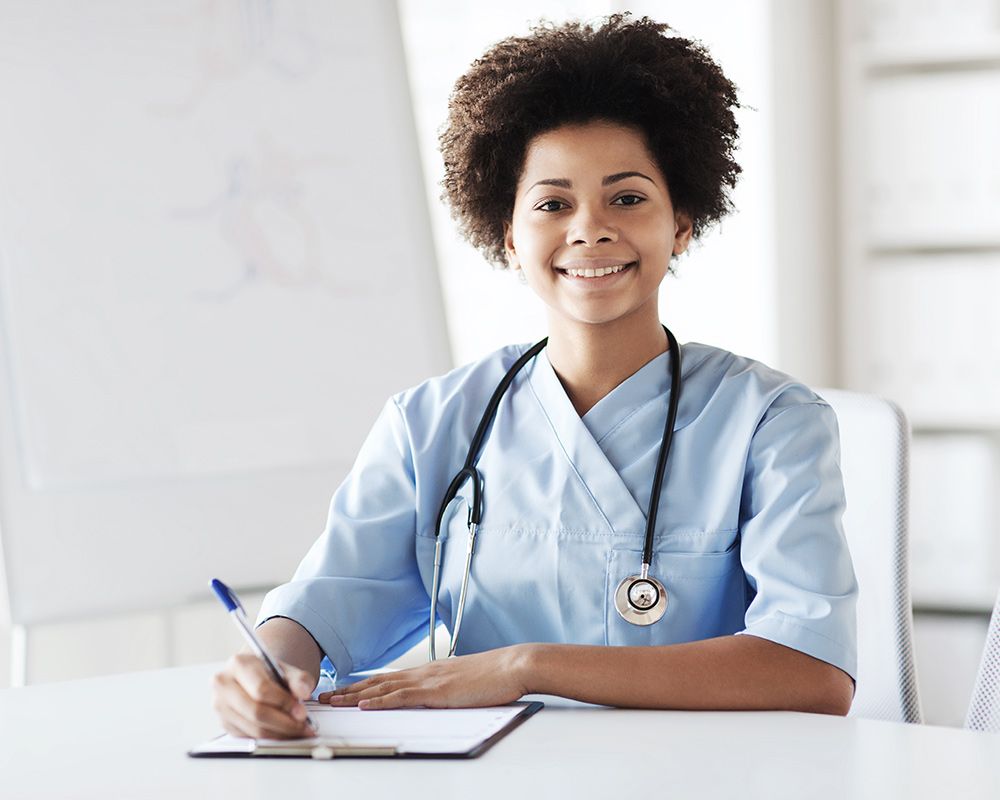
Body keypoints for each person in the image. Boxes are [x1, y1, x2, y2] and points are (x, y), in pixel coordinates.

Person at [211, 14, 857, 740]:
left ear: (681, 223)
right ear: (509, 238)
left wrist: (526, 666)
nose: (589, 228)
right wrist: (267, 669)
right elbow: (328, 597)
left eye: (628, 197)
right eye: (553, 204)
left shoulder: (772, 421)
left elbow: (813, 673)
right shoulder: (431, 421)